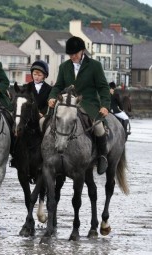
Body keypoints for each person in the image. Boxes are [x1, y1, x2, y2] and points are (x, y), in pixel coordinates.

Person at [48, 36, 110, 175]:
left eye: (75, 54)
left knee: (99, 127)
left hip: (88, 104)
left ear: (82, 51)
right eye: (70, 54)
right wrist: (52, 97)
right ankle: (47, 154)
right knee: (49, 122)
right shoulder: (64, 66)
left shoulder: (95, 66)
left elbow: (103, 88)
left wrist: (105, 105)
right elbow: (58, 86)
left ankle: (102, 156)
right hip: (67, 103)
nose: (72, 57)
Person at [9, 60, 51, 168]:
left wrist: (43, 113)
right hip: (27, 117)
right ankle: (14, 155)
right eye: (34, 74)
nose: (36, 77)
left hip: (42, 116)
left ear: (44, 76)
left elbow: (49, 103)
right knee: (16, 127)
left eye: (39, 74)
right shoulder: (26, 87)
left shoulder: (49, 89)